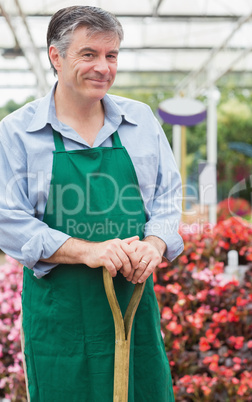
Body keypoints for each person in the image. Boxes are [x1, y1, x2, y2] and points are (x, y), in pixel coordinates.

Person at [0, 5, 183, 402]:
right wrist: (89, 251)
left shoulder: (142, 120)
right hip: (59, 317)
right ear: (56, 56)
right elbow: (7, 220)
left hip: (133, 306)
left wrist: (154, 244)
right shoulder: (17, 132)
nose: (103, 67)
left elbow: (168, 198)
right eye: (89, 54)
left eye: (111, 55)